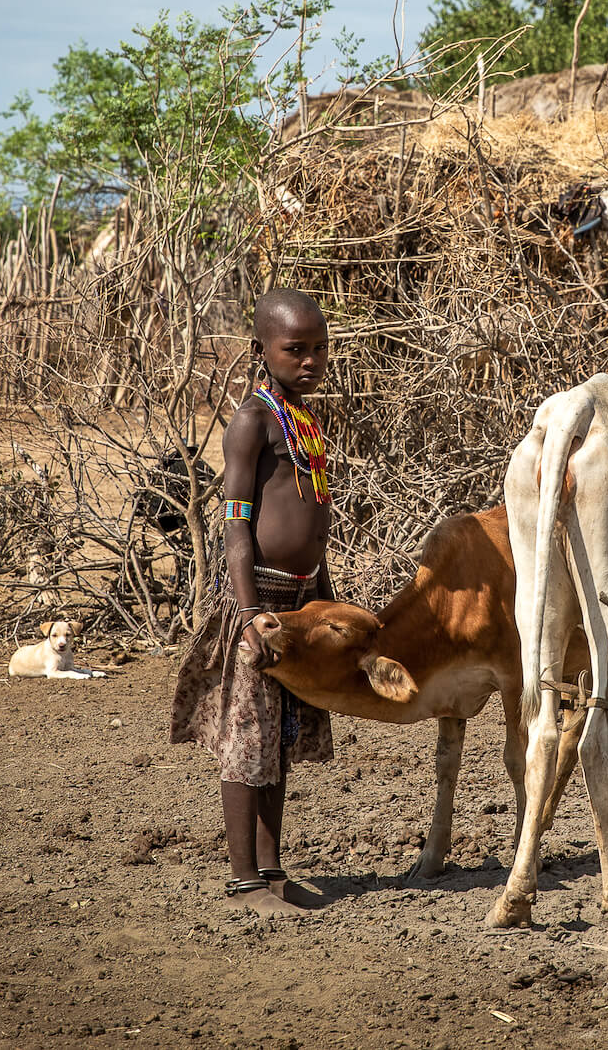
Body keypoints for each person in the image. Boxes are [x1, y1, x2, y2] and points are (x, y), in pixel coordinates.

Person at [169, 288, 337, 915]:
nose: (312, 360)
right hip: (257, 600)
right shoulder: (254, 419)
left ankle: (271, 870)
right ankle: (243, 881)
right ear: (261, 351)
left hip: (296, 600)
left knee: (278, 740)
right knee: (246, 741)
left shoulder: (307, 419)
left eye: (320, 348)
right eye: (297, 349)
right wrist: (247, 615)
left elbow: (311, 521)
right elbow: (235, 523)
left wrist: (323, 600)